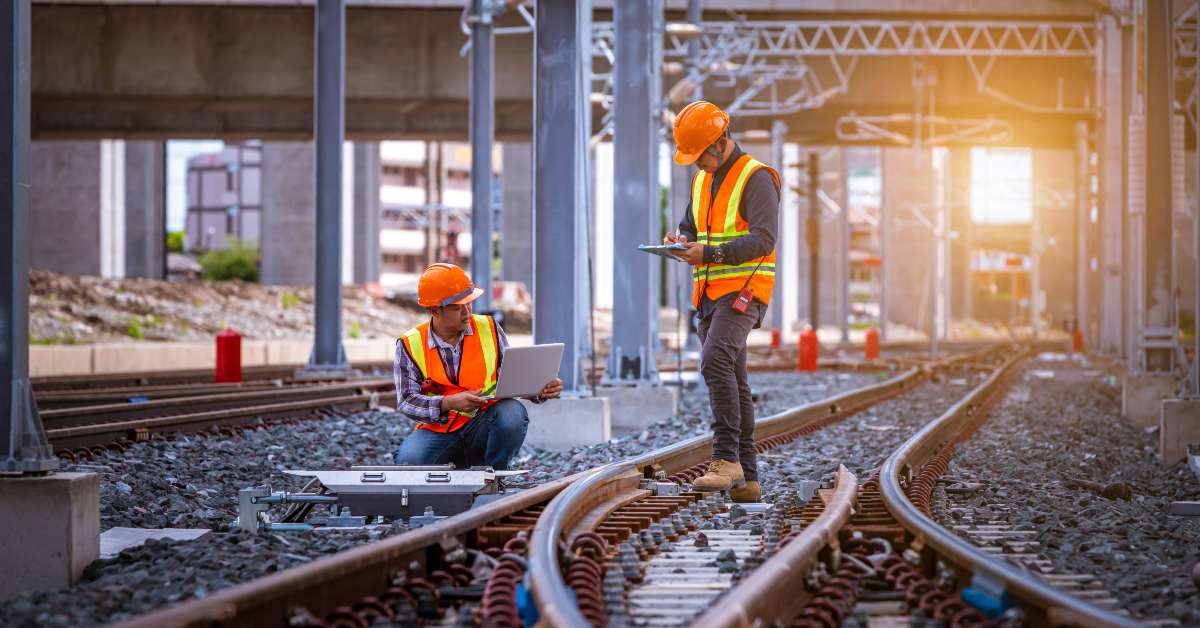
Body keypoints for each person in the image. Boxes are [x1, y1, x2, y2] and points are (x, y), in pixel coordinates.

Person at [664, 100, 780, 502]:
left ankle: (725, 458)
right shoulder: (701, 181)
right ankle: (748, 478)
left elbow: (764, 239)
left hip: (745, 291)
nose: (697, 165)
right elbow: (690, 226)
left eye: (700, 156)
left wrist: (709, 255)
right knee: (734, 375)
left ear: (720, 141)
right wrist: (680, 242)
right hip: (709, 294)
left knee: (714, 362)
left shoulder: (756, 178)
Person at [392, 263, 563, 470]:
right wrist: (448, 403)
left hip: (484, 423)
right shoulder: (410, 344)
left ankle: (494, 475)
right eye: (457, 307)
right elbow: (407, 401)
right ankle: (455, 468)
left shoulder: (489, 328)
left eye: (469, 303)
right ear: (434, 310)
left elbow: (510, 380)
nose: (467, 312)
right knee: (409, 463)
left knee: (511, 414)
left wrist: (540, 390)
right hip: (437, 430)